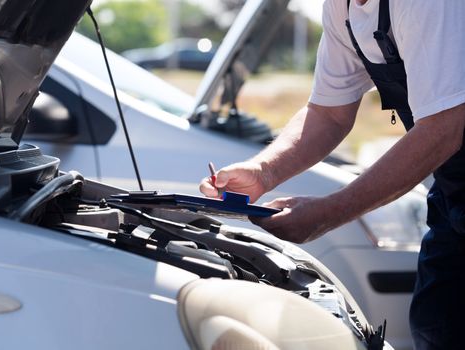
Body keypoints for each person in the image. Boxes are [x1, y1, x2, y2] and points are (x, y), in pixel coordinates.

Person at [199, 0, 465, 349]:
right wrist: (262, 172)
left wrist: (329, 212)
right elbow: (329, 113)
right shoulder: (343, 9)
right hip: (453, 196)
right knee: (438, 325)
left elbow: (445, 127)